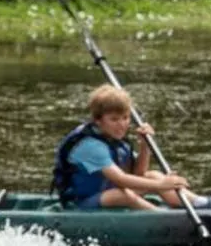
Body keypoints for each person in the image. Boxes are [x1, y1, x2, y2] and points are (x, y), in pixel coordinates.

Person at [51, 86, 194, 211]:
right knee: (122, 195)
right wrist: (161, 185)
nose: (122, 124)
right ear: (98, 120)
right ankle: (162, 216)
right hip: (79, 203)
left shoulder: (115, 140)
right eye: (114, 119)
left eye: (125, 118)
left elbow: (138, 173)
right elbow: (121, 179)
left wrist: (145, 146)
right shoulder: (90, 146)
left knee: (153, 175)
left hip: (106, 193)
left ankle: (198, 203)